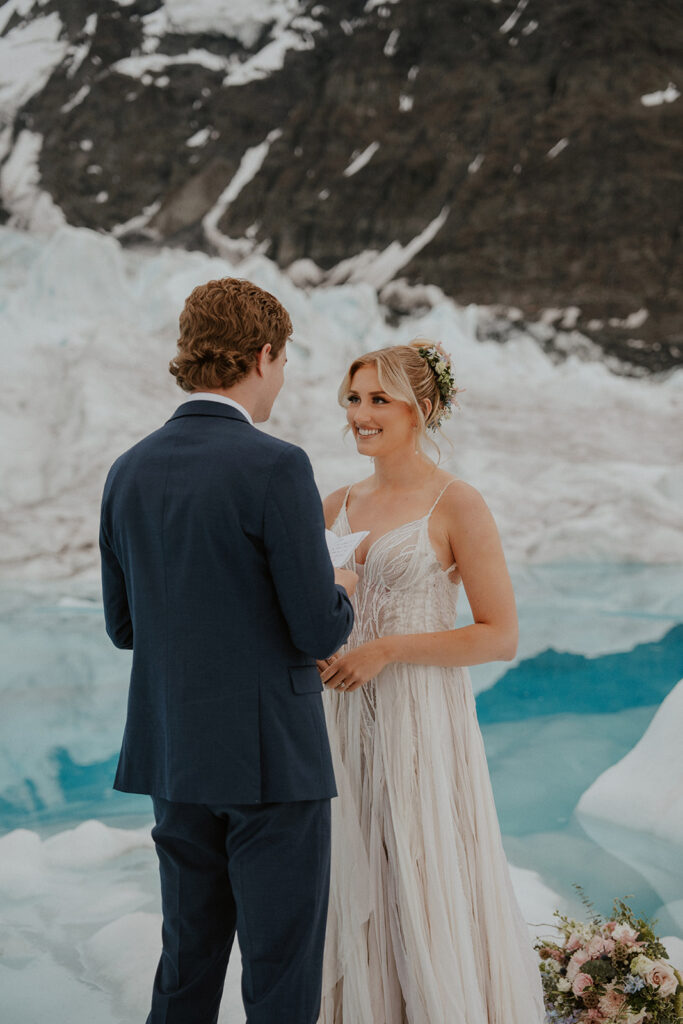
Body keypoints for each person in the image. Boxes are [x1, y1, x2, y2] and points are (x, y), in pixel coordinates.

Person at [99, 277, 357, 1024]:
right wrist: (338, 580)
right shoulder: (276, 465)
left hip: (173, 758)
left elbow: (124, 627)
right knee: (279, 971)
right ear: (263, 353)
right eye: (283, 361)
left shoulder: (128, 469)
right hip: (271, 762)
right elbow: (317, 629)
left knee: (187, 959)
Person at [318, 340, 545, 1024]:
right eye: (354, 398)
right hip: (334, 719)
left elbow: (498, 635)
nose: (361, 413)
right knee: (349, 877)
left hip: (420, 715)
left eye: (378, 399)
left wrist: (385, 650)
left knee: (420, 867)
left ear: (423, 409)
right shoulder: (331, 504)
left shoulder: (456, 503)